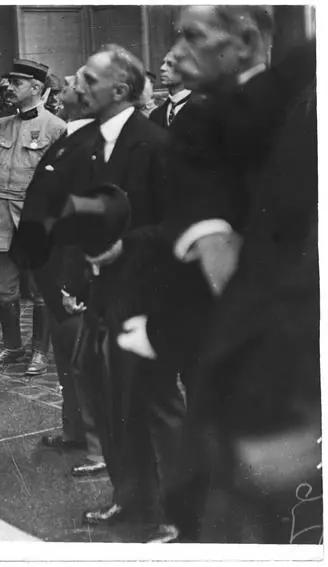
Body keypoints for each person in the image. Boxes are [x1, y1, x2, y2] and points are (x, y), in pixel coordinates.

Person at [122, 6, 319, 543]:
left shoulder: (297, 108)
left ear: (246, 40)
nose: (173, 52)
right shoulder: (202, 121)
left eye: (192, 36)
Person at [69, 45, 185, 536]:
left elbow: (178, 223)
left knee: (156, 403)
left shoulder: (155, 144)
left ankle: (180, 514)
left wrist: (124, 248)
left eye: (89, 81)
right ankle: (131, 499)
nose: (78, 88)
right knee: (113, 398)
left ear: (119, 90)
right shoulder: (92, 143)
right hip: (104, 295)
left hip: (150, 296)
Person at [10, 67, 106, 476]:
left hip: (72, 271)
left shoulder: (93, 144)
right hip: (52, 266)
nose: (61, 88)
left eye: (69, 85)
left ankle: (102, 449)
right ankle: (75, 431)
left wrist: (76, 279)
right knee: (67, 359)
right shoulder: (69, 139)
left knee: (86, 360)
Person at [0, 58, 66, 376]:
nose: (10, 89)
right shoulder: (2, 124)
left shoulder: (56, 128)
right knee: (2, 286)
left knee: (43, 287)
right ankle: (12, 346)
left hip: (35, 220)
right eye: (10, 83)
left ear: (36, 88)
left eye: (16, 84)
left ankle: (40, 351)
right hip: (2, 217)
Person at [149, 50, 192, 128]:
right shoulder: (155, 115)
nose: (162, 68)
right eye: (163, 63)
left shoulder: (206, 111)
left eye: (170, 64)